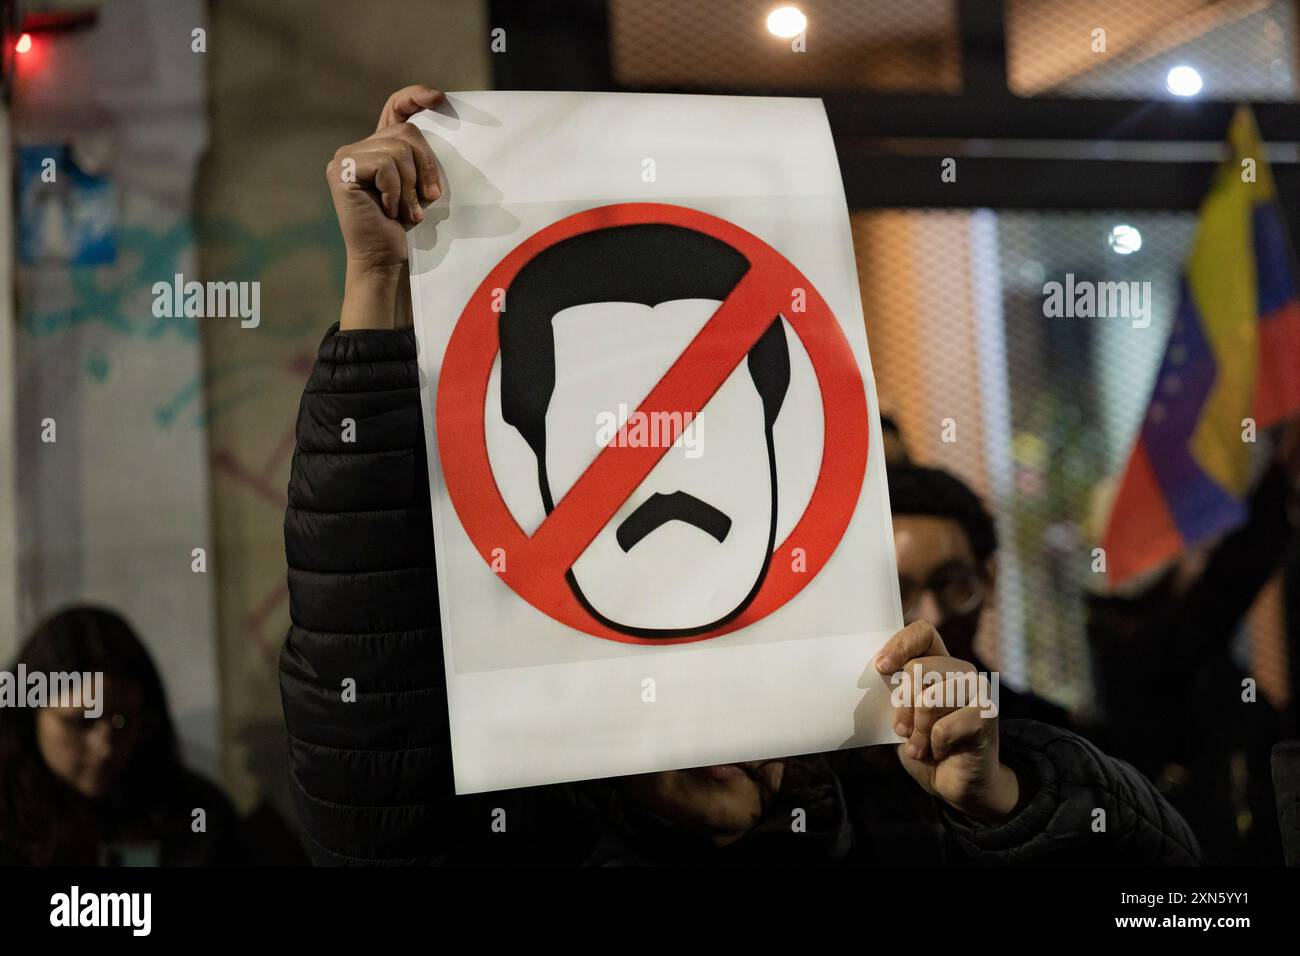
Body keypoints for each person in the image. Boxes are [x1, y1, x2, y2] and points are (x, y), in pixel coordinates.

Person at [278, 84, 1200, 866]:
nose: (671, 476)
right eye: (623, 445)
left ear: (781, 455)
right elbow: (362, 691)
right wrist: (379, 282)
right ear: (532, 467)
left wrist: (1010, 801)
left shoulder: (903, 807)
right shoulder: (501, 832)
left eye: (711, 426)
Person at [0, 606, 243, 866]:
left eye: (122, 722)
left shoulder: (195, 815)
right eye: (82, 722)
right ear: (29, 715)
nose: (105, 747)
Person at [888, 463, 1074, 727]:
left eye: (951, 584)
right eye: (899, 592)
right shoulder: (823, 745)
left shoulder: (1051, 739)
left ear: (989, 580)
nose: (930, 618)